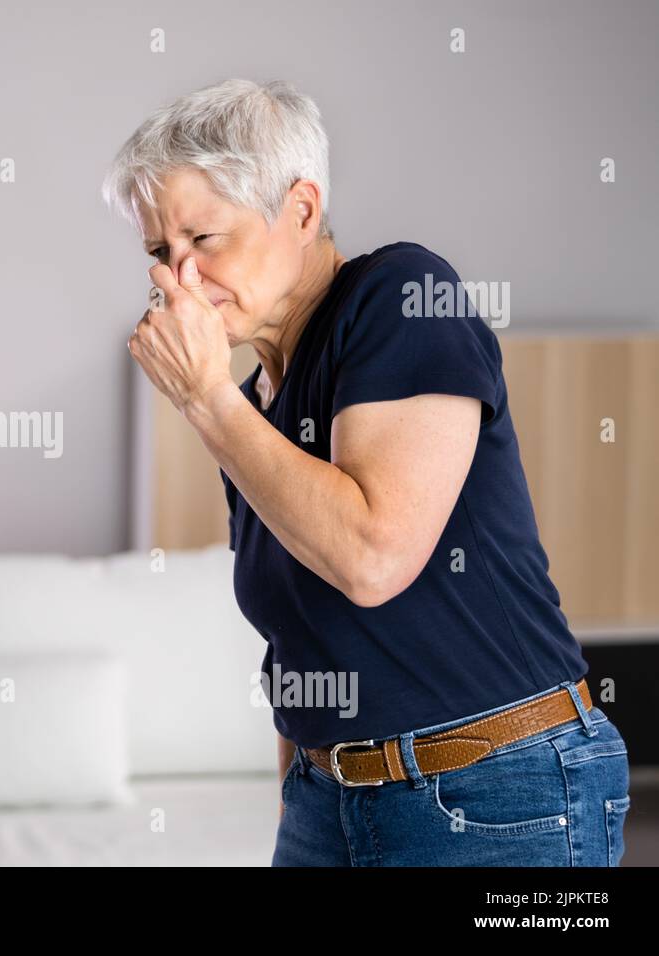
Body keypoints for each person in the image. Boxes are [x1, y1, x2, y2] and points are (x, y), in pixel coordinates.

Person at [102, 78, 630, 865]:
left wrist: (207, 401)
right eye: (158, 252)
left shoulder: (401, 297)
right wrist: (300, 797)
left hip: (496, 789)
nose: (176, 279)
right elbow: (299, 633)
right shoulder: (252, 403)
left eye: (203, 240)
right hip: (328, 800)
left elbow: (372, 557)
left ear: (302, 211)